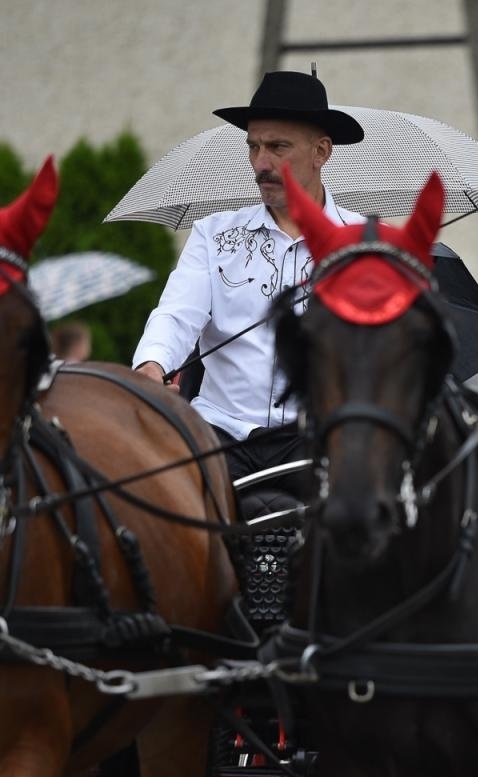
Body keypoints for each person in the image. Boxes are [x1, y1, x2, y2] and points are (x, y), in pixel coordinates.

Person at [132, 70, 366, 481]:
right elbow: (176, 313)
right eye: (254, 147)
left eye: (278, 147)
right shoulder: (213, 234)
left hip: (320, 441)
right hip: (217, 436)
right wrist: (151, 366)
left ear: (321, 152)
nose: (261, 163)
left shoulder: (363, 247)